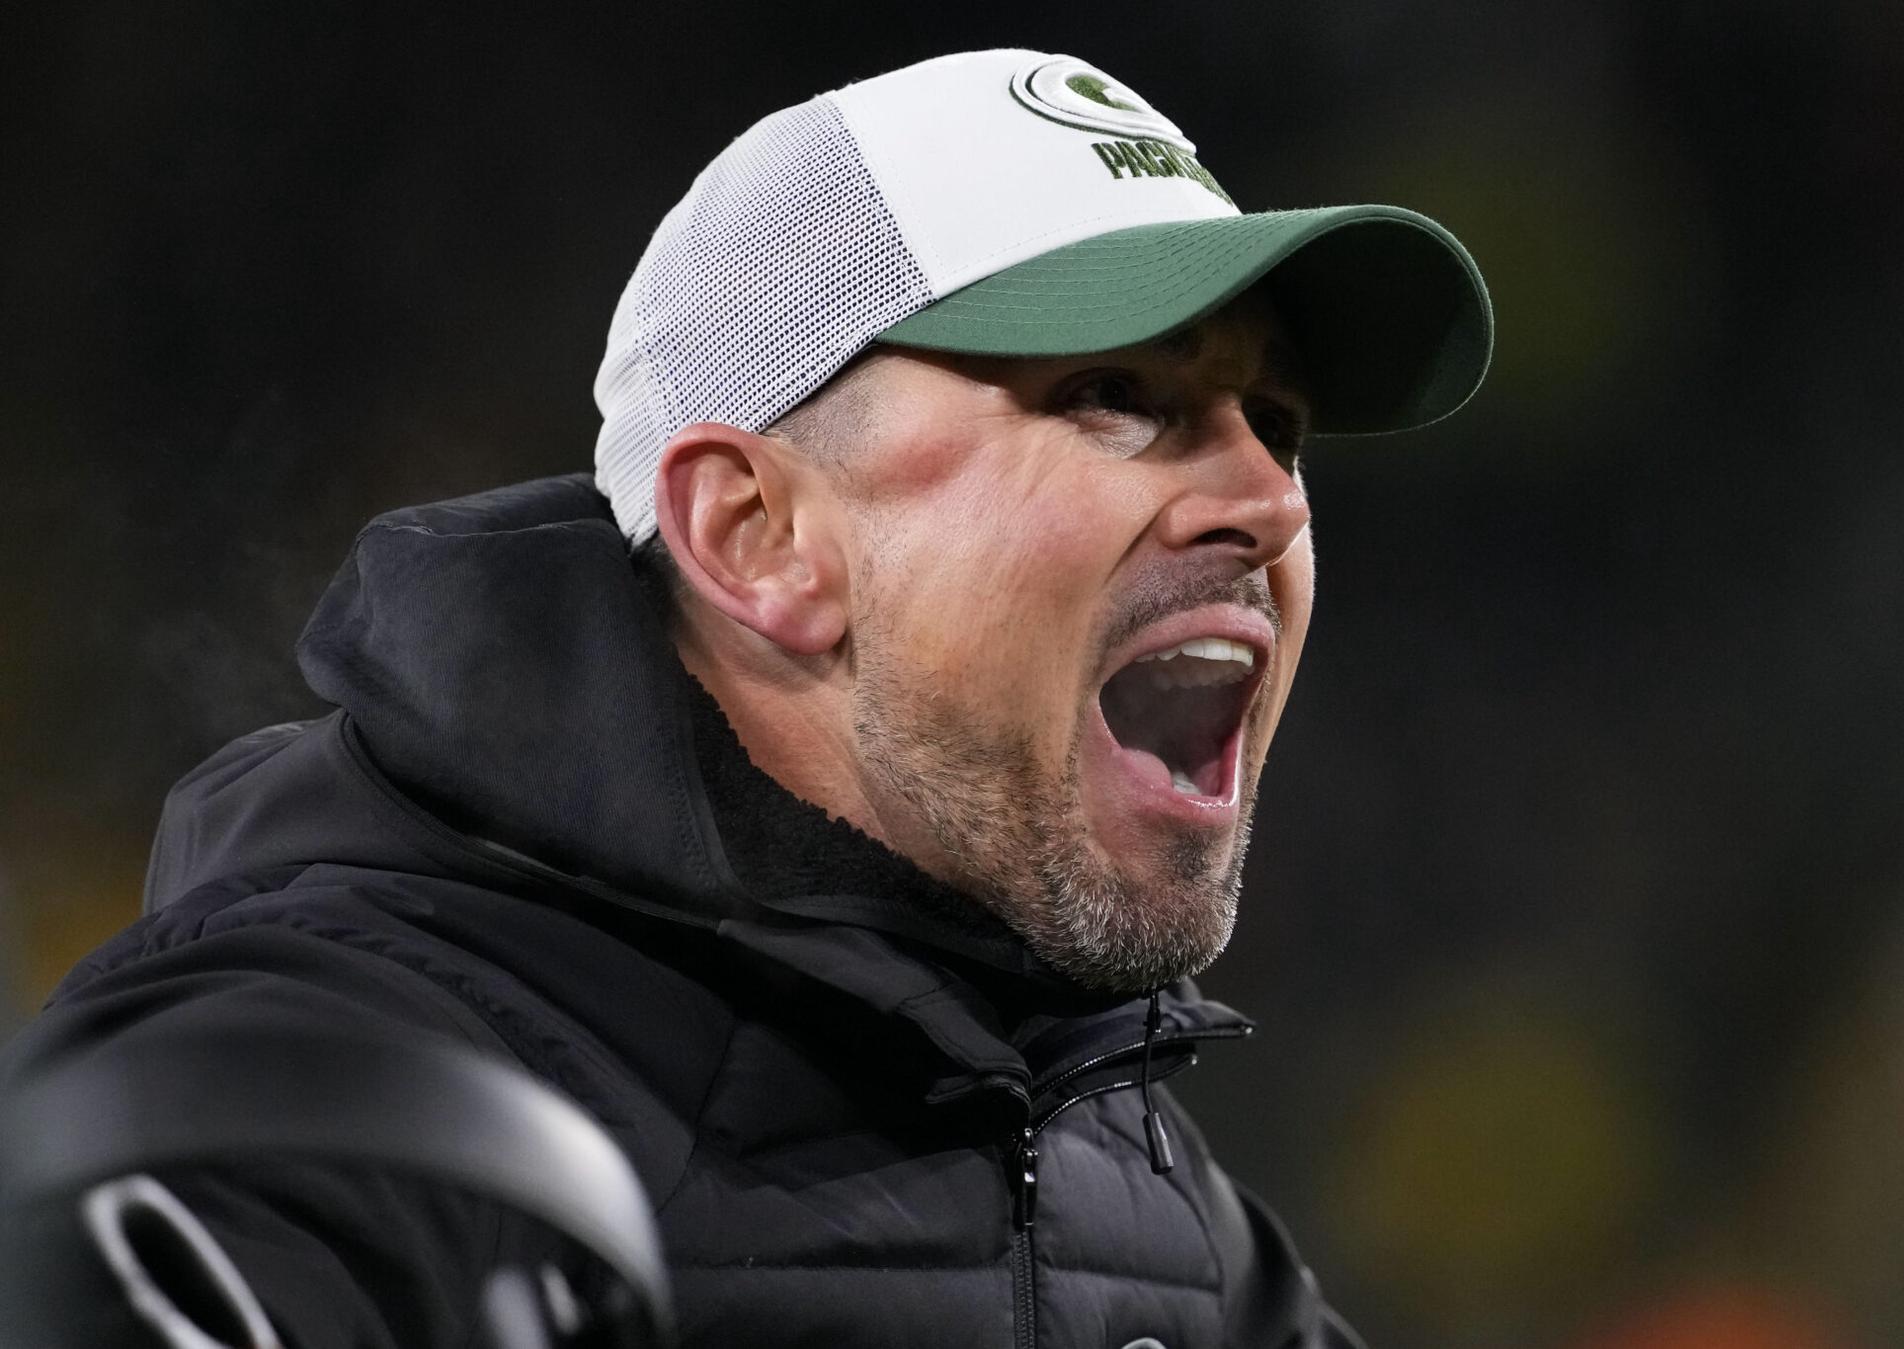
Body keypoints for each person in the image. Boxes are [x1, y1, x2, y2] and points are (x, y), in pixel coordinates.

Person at [0, 48, 1489, 1348]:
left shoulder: (1126, 1169)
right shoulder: (322, 1081)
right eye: (1119, 396)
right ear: (754, 535)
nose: (1263, 499)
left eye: (1275, 424)